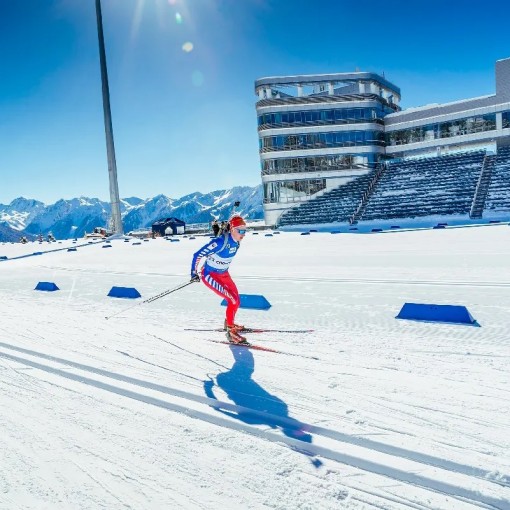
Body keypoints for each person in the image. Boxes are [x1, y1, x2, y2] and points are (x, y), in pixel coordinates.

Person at [190, 215, 248, 344]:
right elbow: (197, 255)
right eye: (240, 230)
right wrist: (193, 273)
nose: (243, 234)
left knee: (236, 299)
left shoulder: (237, 241)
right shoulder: (221, 242)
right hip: (210, 275)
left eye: (245, 230)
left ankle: (229, 322)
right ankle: (230, 331)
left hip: (224, 274)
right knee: (232, 300)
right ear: (232, 229)